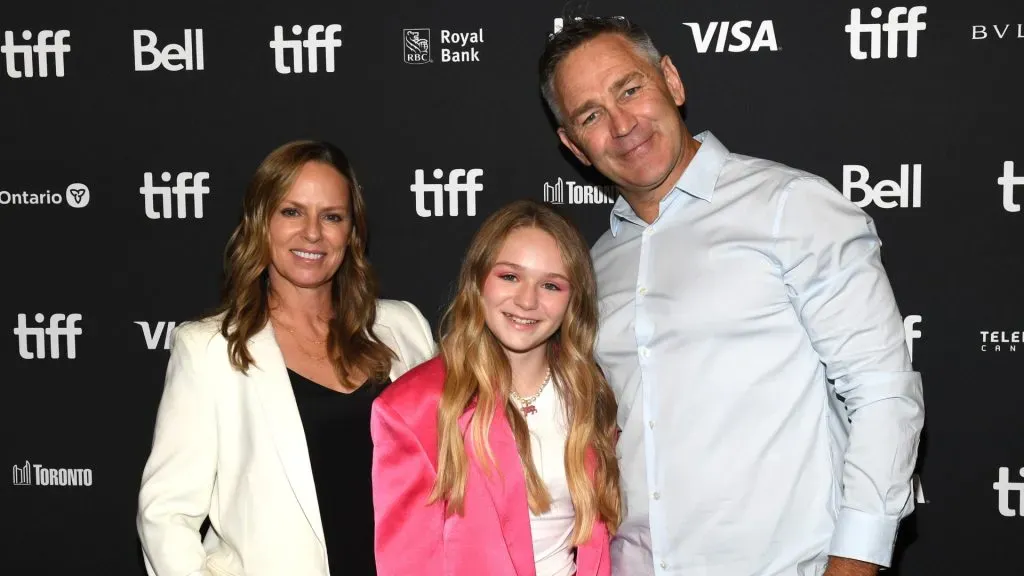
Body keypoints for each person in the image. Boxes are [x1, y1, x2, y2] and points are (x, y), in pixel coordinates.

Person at [538, 16, 925, 576]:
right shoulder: (594, 266)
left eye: (630, 88)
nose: (622, 125)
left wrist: (855, 562)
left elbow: (883, 394)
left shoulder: (791, 207)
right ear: (574, 145)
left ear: (671, 80)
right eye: (591, 115)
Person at [136, 140, 437, 576]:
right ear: (261, 222)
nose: (312, 233)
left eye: (331, 216)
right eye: (292, 212)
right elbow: (165, 516)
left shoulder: (403, 326)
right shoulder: (209, 350)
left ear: (352, 233)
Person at [371, 200, 621, 576]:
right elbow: (408, 564)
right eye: (510, 276)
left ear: (573, 301)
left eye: (551, 285)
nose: (527, 300)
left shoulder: (588, 393)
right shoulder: (415, 407)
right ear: (478, 279)